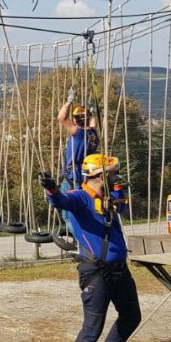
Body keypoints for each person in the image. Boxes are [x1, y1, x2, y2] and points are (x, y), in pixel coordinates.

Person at [39, 154, 141, 342]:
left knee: (132, 315)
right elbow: (60, 201)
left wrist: (115, 190)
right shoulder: (80, 197)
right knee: (91, 330)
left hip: (119, 269)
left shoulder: (110, 195)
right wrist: (52, 188)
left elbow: (120, 207)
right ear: (99, 175)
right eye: (113, 174)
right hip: (95, 271)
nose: (117, 177)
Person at [57, 87, 99, 242]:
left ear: (76, 121)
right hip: (84, 177)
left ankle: (83, 240)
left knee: (67, 215)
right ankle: (85, 240)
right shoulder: (93, 134)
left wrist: (69, 101)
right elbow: (92, 122)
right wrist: (90, 110)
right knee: (81, 210)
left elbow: (61, 118)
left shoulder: (79, 134)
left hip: (72, 177)